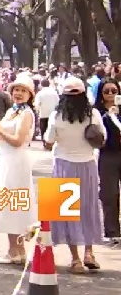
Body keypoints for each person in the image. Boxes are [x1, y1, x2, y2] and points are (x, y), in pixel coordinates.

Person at [44, 76, 105, 272]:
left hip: (63, 165)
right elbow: (102, 138)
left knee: (65, 212)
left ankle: (75, 259)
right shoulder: (93, 114)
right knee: (89, 209)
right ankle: (89, 252)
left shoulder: (56, 116)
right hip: (87, 165)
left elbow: (48, 141)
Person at [0, 73, 37, 264]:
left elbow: (18, 140)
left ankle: (16, 250)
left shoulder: (27, 114)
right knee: (8, 204)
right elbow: (1, 138)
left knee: (14, 205)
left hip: (17, 161)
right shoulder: (11, 112)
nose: (19, 93)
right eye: (16, 89)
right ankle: (16, 250)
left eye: (23, 90)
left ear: (30, 95)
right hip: (5, 158)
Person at [94, 77, 121, 246]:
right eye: (106, 91)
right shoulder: (96, 111)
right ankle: (112, 231)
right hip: (106, 154)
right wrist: (107, 116)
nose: (110, 94)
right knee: (109, 193)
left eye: (114, 91)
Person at [34, 77, 58, 142]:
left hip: (43, 115)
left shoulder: (40, 93)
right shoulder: (54, 92)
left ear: (41, 85)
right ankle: (50, 143)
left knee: (43, 130)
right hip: (53, 114)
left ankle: (44, 142)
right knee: (51, 130)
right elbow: (57, 103)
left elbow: (37, 105)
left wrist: (37, 112)